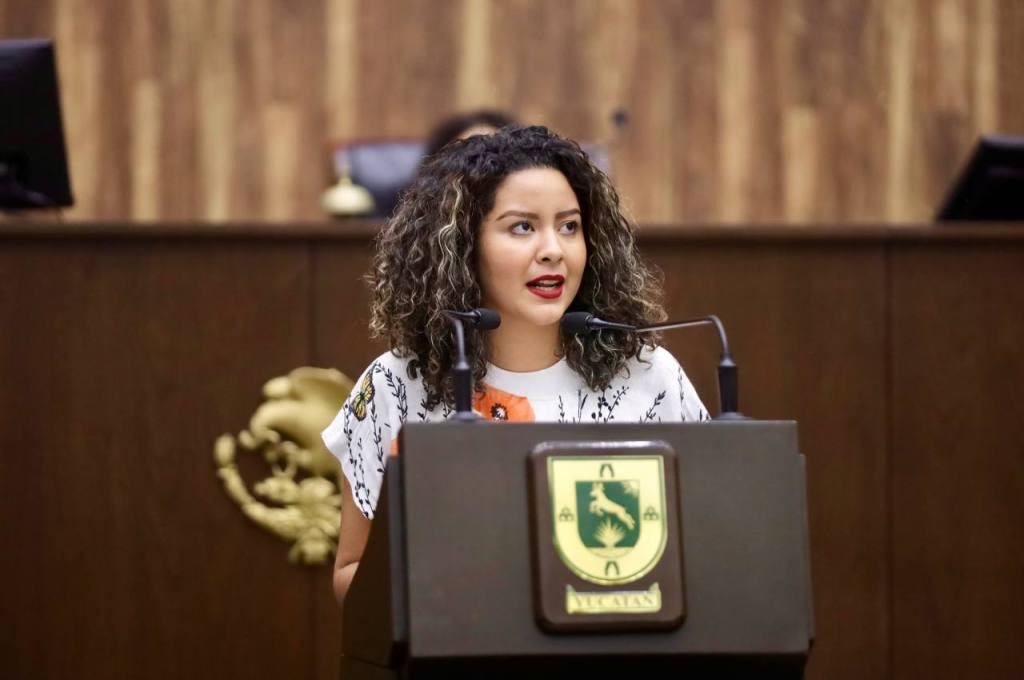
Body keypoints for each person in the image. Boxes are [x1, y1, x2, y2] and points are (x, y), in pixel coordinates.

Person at [323, 125, 709, 606]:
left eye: (569, 226)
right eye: (522, 227)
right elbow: (350, 574)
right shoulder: (397, 384)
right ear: (464, 245)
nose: (553, 250)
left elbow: (708, 549)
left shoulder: (649, 376)